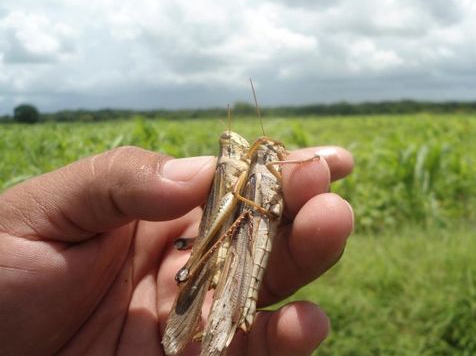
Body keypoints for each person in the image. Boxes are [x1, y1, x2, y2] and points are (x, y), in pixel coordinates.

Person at [0, 145, 355, 355]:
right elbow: (237, 202)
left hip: (241, 226)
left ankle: (220, 316)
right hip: (229, 230)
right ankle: (204, 311)